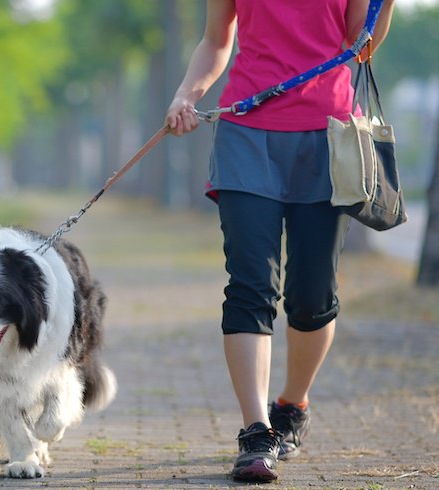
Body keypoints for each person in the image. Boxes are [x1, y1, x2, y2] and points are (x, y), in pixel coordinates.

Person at [164, 0, 395, 483]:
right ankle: (255, 432)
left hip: (328, 139)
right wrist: (187, 93)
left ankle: (292, 404)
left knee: (313, 296)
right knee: (250, 284)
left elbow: (360, 46)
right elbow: (215, 40)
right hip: (247, 134)